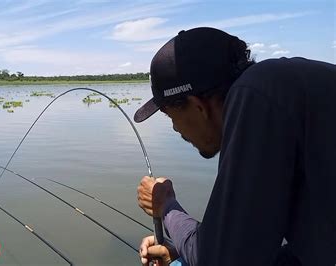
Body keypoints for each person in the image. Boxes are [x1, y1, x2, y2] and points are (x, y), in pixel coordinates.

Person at [134, 27, 336, 266]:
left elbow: (221, 260)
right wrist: (186, 252)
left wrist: (166, 205)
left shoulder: (255, 96)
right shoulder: (289, 87)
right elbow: (301, 253)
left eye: (171, 117)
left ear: (198, 106)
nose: (177, 129)